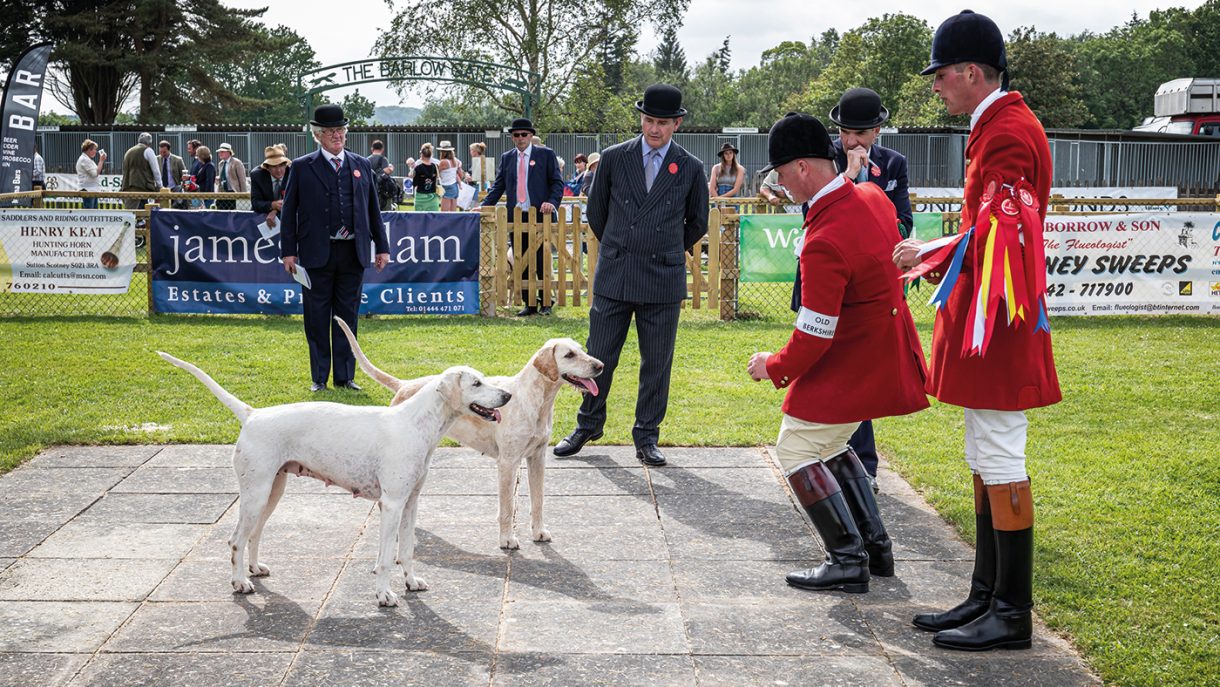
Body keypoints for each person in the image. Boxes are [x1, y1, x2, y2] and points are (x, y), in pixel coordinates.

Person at [893, 10, 1060, 652]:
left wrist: (929, 252)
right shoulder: (996, 125)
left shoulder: (1007, 132)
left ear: (970, 71)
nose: (936, 85)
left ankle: (1011, 610)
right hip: (994, 314)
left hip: (1001, 318)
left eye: (940, 74)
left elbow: (1001, 235)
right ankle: (987, 594)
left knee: (1000, 454)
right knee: (985, 453)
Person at [746, 112, 929, 594]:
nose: (781, 185)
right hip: (883, 349)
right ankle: (876, 548)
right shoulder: (870, 195)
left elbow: (814, 334)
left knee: (795, 448)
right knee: (830, 445)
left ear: (803, 167)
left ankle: (847, 559)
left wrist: (772, 366)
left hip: (852, 360)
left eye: (781, 174)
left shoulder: (824, 238)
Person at [552, 84, 708, 466]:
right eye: (649, 120)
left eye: (663, 123)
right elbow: (598, 213)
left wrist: (665, 248)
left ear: (677, 124)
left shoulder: (690, 167)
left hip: (662, 278)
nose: (654, 129)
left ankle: (647, 435)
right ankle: (588, 424)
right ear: (641, 118)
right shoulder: (613, 158)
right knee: (598, 356)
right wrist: (623, 244)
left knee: (656, 363)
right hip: (616, 274)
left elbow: (698, 222)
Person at [796, 86, 915, 491]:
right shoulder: (822, 158)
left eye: (860, 133)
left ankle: (863, 466)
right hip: (827, 284)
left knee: (858, 378)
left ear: (877, 131)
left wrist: (869, 200)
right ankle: (827, 457)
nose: (851, 141)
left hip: (869, 290)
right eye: (845, 132)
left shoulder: (893, 164)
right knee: (822, 373)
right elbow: (812, 212)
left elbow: (902, 224)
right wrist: (846, 178)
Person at [279, 104, 390, 393]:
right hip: (316, 253)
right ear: (317, 135)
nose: (337, 135)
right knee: (316, 317)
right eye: (330, 132)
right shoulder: (302, 167)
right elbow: (289, 212)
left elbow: (373, 210)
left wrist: (382, 246)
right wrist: (288, 251)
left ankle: (345, 376)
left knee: (347, 317)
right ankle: (319, 378)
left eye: (340, 130)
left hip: (353, 252)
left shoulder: (361, 164)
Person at [481, 117, 564, 316]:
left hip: (541, 215)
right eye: (516, 135)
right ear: (512, 137)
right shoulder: (507, 158)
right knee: (520, 258)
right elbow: (498, 186)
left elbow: (557, 183)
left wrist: (551, 203)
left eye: (524, 134)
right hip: (516, 216)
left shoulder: (545, 154)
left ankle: (546, 302)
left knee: (541, 259)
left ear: (531, 135)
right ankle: (530, 303)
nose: (520, 138)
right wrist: (484, 206)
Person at [250, 145, 292, 228]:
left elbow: (298, 200)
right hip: (262, 221)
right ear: (267, 167)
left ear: (286, 165)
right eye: (274, 166)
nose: (278, 170)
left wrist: (275, 210)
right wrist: (272, 205)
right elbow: (255, 203)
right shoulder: (257, 176)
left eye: (281, 165)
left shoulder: (293, 173)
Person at [120, 132, 161, 210]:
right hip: (141, 188)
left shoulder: (128, 151)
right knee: (137, 212)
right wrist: (160, 186)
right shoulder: (148, 150)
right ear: (150, 143)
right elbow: (156, 171)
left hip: (126, 187)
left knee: (131, 212)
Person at [215, 142, 248, 210]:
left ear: (229, 152)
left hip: (233, 192)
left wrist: (243, 195)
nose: (220, 154)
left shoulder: (237, 163)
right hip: (223, 193)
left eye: (222, 152)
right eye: (219, 152)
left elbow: (242, 180)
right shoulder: (221, 164)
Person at [367, 140, 396, 211]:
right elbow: (386, 173)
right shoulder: (384, 159)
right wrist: (391, 169)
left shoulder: (367, 160)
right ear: (382, 149)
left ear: (372, 149)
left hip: (370, 189)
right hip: (381, 191)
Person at [76, 139, 106, 209]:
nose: (96, 151)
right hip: (88, 189)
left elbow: (97, 172)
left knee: (94, 212)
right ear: (88, 150)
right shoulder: (84, 160)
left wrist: (101, 161)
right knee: (89, 212)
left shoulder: (88, 159)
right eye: (94, 149)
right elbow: (94, 174)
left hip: (92, 189)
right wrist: (101, 161)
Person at [412, 144, 440, 212]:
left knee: (419, 217)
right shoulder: (435, 167)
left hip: (420, 196)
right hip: (433, 196)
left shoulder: (418, 168)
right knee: (433, 217)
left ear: (422, 154)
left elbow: (415, 183)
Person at [437, 140, 463, 211]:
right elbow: (461, 175)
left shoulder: (443, 162)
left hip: (446, 186)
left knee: (444, 212)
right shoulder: (456, 161)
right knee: (453, 211)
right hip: (454, 185)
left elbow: (436, 173)